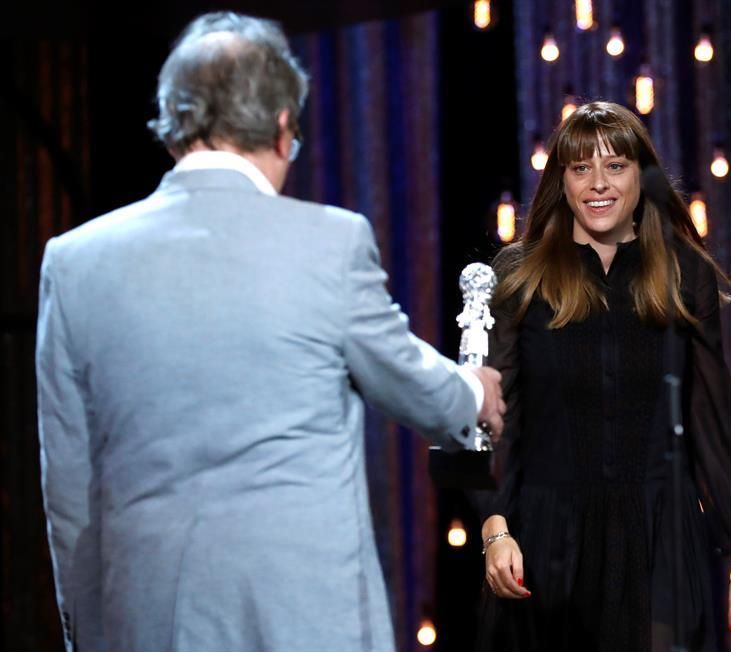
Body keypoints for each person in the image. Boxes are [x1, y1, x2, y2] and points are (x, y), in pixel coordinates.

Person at [35, 12, 505, 652]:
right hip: (305, 616)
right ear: (284, 127)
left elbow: (68, 487)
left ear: (174, 128)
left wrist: (89, 630)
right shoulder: (331, 242)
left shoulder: (73, 261)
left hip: (144, 620)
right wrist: (473, 393)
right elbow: (417, 387)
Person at [474, 101, 731, 651]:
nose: (597, 184)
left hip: (659, 544)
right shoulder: (518, 278)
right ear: (561, 182)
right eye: (581, 168)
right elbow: (488, 422)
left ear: (642, 176)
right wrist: (495, 529)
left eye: (615, 166)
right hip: (544, 543)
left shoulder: (685, 275)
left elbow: (711, 423)